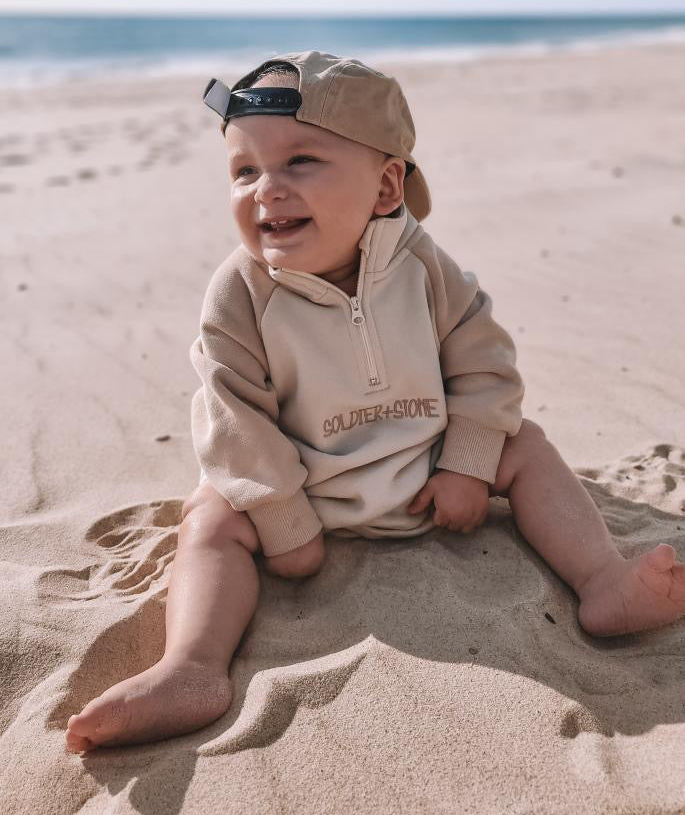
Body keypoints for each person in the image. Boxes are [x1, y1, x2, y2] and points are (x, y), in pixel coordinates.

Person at [65, 50, 685, 753]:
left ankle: (603, 580)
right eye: (244, 170)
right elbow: (231, 416)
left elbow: (482, 359)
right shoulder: (240, 292)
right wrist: (279, 515)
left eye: (299, 161)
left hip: (424, 471)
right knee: (210, 515)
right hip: (304, 495)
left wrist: (470, 462)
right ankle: (193, 665)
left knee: (527, 445)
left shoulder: (420, 263)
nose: (265, 189)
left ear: (386, 184)